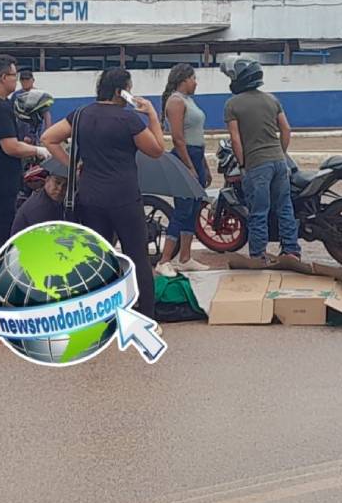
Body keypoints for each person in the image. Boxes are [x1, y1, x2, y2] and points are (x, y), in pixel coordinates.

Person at [40, 67, 166, 319]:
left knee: (97, 257)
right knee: (137, 256)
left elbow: (48, 137)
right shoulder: (127, 119)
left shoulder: (80, 115)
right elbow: (157, 149)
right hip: (124, 196)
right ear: (122, 91)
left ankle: (100, 313)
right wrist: (151, 114)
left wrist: (71, 165)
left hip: (90, 196)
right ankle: (147, 314)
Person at [0, 54, 51, 275]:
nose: (16, 81)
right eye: (14, 76)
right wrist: (38, 150)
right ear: (4, 77)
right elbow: (10, 147)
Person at [222, 57, 301, 263]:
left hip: (257, 164)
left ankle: (258, 255)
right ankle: (291, 251)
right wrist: (281, 153)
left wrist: (242, 164)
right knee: (285, 208)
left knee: (258, 211)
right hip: (279, 162)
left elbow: (236, 140)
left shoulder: (232, 104)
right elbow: (286, 129)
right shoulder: (272, 99)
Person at [155, 63, 211, 277]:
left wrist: (203, 165)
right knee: (183, 208)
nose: (195, 82)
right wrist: (188, 166)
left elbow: (197, 135)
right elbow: (178, 138)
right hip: (184, 156)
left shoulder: (189, 101)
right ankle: (164, 260)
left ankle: (185, 258)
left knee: (194, 207)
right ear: (184, 79)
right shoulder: (176, 102)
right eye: (193, 78)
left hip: (196, 155)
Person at [11, 166, 67, 234]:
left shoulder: (51, 200)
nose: (60, 189)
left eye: (65, 185)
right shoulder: (41, 206)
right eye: (57, 182)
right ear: (47, 180)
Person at [12, 68, 51, 144]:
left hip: (35, 130)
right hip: (20, 130)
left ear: (33, 80)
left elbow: (46, 115)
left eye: (27, 79)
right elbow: (11, 112)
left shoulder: (39, 95)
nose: (25, 82)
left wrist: (47, 131)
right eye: (22, 79)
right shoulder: (16, 95)